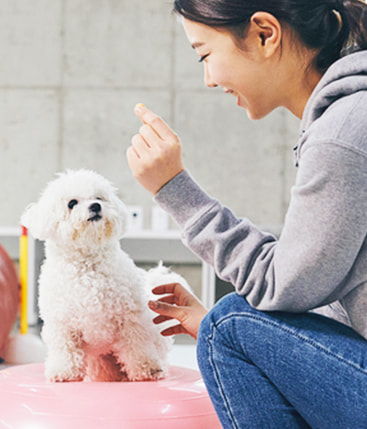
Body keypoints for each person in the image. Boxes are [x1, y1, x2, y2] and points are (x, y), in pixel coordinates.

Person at [127, 0, 367, 427]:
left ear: (264, 34)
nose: (208, 79)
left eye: (205, 54)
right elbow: (329, 290)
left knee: (228, 324)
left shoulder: (344, 131)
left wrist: (174, 189)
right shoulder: (348, 118)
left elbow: (280, 286)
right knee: (225, 325)